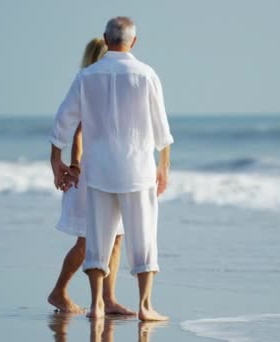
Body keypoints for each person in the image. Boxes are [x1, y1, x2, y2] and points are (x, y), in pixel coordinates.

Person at [49, 16, 173, 321]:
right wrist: (164, 167)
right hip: (137, 169)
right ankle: (145, 306)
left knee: (99, 238)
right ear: (134, 41)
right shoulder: (146, 75)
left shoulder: (86, 77)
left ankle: (98, 304)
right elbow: (161, 127)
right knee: (143, 238)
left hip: (99, 171)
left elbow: (63, 121)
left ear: (106, 39)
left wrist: (57, 160)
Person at [47, 38, 133, 316]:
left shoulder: (108, 86)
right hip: (91, 170)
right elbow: (79, 131)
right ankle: (59, 291)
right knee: (89, 239)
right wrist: (75, 166)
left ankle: (108, 299)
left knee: (116, 236)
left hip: (111, 168)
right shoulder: (91, 84)